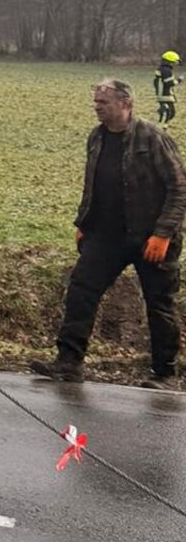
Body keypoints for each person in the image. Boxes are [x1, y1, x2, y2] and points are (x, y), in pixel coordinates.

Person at [32, 78, 186, 386]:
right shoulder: (96, 138)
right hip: (105, 235)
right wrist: (83, 224)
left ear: (125, 104)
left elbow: (179, 188)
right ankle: (69, 362)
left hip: (150, 237)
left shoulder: (153, 138)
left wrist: (163, 234)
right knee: (81, 290)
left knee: (159, 303)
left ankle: (166, 374)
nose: (97, 108)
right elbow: (92, 185)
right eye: (96, 102)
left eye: (103, 103)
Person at [153, 50, 181, 125]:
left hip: (164, 94)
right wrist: (178, 81)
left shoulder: (163, 69)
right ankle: (159, 129)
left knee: (171, 113)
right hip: (164, 95)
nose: (176, 63)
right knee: (167, 113)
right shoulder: (166, 70)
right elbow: (169, 83)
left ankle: (163, 128)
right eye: (175, 61)